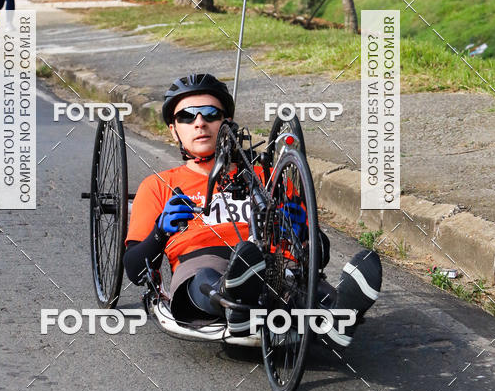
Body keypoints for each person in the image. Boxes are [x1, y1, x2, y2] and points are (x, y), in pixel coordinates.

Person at [124, 73, 383, 345]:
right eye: (187, 116)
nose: (199, 122)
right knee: (207, 277)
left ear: (226, 122)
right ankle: (237, 297)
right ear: (173, 129)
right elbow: (135, 269)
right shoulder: (158, 185)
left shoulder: (269, 176)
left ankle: (337, 313)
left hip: (273, 261)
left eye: (210, 113)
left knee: (293, 281)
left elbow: (319, 253)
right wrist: (159, 232)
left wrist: (303, 232)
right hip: (202, 260)